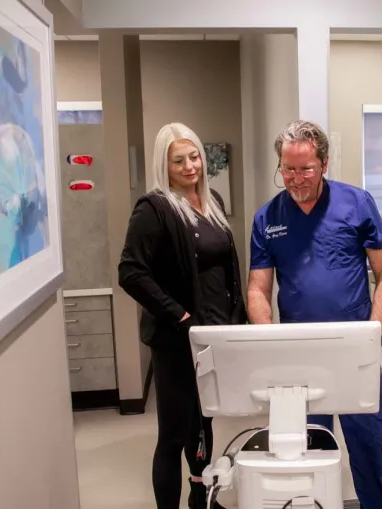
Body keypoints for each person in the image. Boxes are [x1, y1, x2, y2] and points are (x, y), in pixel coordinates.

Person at [247, 120, 382, 509]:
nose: (296, 179)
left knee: (368, 449)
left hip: (355, 351)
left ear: (325, 163)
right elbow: (258, 289)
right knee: (306, 452)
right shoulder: (267, 218)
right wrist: (268, 341)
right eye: (288, 169)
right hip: (298, 356)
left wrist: (374, 333)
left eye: (306, 169)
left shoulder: (357, 203)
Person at [118, 122, 245, 509]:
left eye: (194, 157)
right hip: (176, 340)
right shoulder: (154, 208)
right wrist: (181, 316)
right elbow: (130, 272)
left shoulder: (214, 202)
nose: (190, 167)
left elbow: (225, 268)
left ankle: (199, 497)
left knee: (202, 425)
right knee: (173, 435)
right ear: (164, 164)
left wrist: (236, 319)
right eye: (179, 160)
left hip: (213, 336)